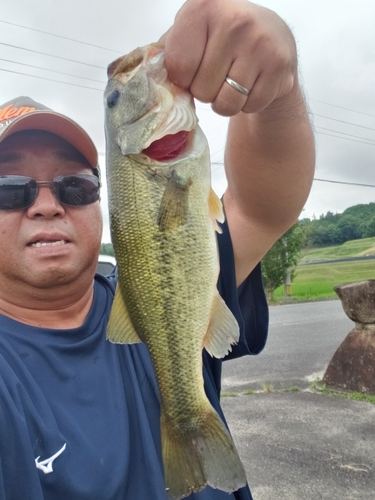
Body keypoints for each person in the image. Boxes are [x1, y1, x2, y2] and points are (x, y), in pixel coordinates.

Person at [0, 0, 315, 498]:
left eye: (75, 187)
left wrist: (277, 87)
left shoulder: (148, 292)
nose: (46, 205)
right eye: (9, 190)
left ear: (99, 202)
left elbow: (261, 209)